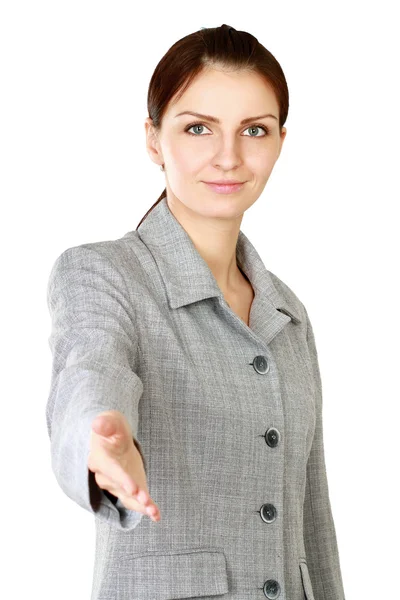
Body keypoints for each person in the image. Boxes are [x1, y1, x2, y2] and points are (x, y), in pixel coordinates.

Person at [46, 24, 346, 600]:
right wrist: (99, 440)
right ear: (154, 140)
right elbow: (90, 370)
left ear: (281, 140)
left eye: (253, 130)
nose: (228, 156)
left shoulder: (288, 312)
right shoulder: (105, 273)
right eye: (198, 128)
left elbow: (313, 518)